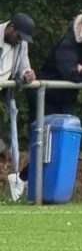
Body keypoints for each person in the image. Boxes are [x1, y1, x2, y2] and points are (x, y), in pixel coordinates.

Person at [1, 13, 36, 201]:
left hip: (4, 94)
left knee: (8, 142)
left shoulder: (22, 43)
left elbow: (23, 67)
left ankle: (16, 178)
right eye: (19, 36)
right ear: (11, 28)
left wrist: (27, 75)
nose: (20, 41)